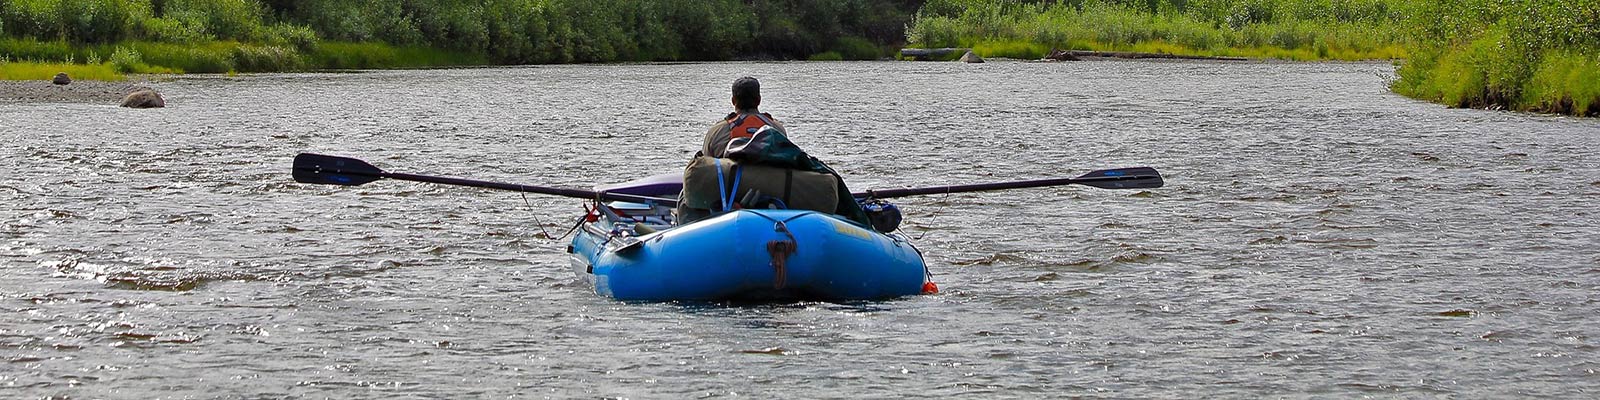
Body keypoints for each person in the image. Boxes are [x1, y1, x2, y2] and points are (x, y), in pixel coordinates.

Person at [701, 77, 786, 158]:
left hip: (732, 172)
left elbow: (705, 163)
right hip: (769, 173)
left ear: (733, 101)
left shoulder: (716, 131)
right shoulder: (778, 129)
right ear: (759, 100)